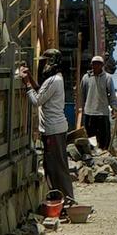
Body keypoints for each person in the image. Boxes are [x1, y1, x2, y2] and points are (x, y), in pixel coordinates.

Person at [28, 61, 70, 200]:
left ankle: (65, 199)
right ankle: (60, 198)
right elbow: (41, 91)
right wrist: (29, 77)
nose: (44, 67)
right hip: (55, 129)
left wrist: (26, 84)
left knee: (56, 168)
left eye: (47, 63)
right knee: (54, 166)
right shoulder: (56, 80)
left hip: (53, 130)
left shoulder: (53, 80)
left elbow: (37, 100)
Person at [81, 59, 117, 154]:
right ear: (91, 65)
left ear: (102, 65)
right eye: (94, 64)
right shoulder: (86, 78)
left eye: (98, 64)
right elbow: (82, 95)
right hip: (89, 112)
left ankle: (104, 156)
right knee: (90, 138)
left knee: (104, 138)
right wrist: (81, 109)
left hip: (103, 113)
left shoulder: (107, 78)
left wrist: (114, 108)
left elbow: (112, 95)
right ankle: (92, 155)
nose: (96, 66)